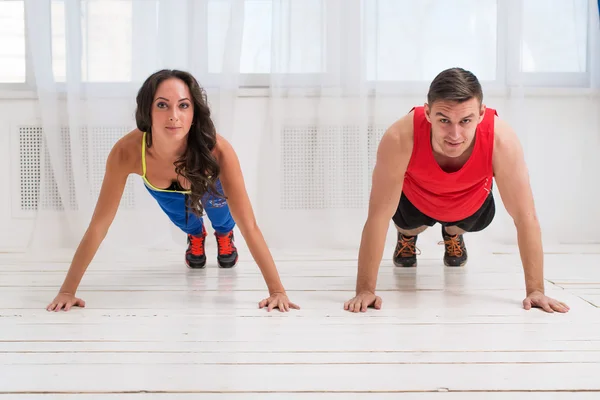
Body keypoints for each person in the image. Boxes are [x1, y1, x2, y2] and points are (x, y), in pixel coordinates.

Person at [46, 69, 299, 313]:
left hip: (210, 182)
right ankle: (196, 237)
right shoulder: (126, 152)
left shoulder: (219, 151)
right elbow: (99, 225)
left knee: (223, 219)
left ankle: (223, 237)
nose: (173, 115)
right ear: (147, 110)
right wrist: (68, 290)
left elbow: (250, 225)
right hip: (167, 190)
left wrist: (277, 290)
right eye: (162, 105)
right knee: (186, 222)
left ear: (194, 113)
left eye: (183, 105)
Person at [344, 67, 569, 314]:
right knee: (406, 221)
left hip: (469, 205)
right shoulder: (400, 137)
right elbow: (378, 216)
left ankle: (452, 233)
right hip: (414, 203)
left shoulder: (501, 140)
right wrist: (365, 289)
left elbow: (525, 216)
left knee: (463, 221)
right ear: (427, 113)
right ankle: (407, 236)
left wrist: (535, 290)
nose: (454, 134)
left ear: (482, 114)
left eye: (465, 121)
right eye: (443, 120)